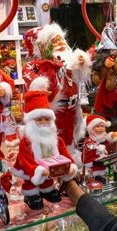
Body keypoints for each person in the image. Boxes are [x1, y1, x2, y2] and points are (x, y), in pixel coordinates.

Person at [22, 23, 92, 162]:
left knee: (70, 136)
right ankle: (52, 163)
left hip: (72, 108)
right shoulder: (36, 65)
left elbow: (83, 78)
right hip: (53, 111)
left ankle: (71, 161)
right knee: (52, 138)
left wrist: (83, 63)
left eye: (61, 39)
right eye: (54, 41)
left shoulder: (71, 62)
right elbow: (34, 82)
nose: (60, 43)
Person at [10, 85, 78, 210]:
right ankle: (31, 195)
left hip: (50, 170)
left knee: (48, 181)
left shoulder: (57, 139)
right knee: (31, 182)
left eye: (47, 119)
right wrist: (38, 170)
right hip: (31, 169)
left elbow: (64, 154)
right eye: (39, 119)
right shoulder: (27, 141)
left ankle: (47, 190)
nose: (44, 122)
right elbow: (26, 161)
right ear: (31, 122)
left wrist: (71, 166)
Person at [82, 115, 117, 180]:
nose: (100, 128)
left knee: (111, 166)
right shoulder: (89, 140)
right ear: (91, 129)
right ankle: (98, 177)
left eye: (102, 126)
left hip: (104, 160)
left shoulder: (102, 138)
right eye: (97, 126)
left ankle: (112, 175)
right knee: (98, 171)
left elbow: (108, 144)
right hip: (92, 161)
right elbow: (89, 146)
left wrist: (111, 137)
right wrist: (99, 148)